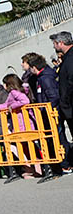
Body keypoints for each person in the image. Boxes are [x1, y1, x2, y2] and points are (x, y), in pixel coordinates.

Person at [23, 52, 64, 181]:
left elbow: (53, 96)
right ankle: (58, 166)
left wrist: (45, 109)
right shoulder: (40, 77)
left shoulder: (45, 78)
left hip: (51, 114)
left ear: (33, 67)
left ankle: (64, 165)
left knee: (58, 138)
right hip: (46, 113)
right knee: (52, 139)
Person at [50, 31, 73, 169]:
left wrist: (65, 100)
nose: (54, 46)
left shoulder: (70, 58)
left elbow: (70, 81)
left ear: (61, 43)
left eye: (54, 43)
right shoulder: (66, 58)